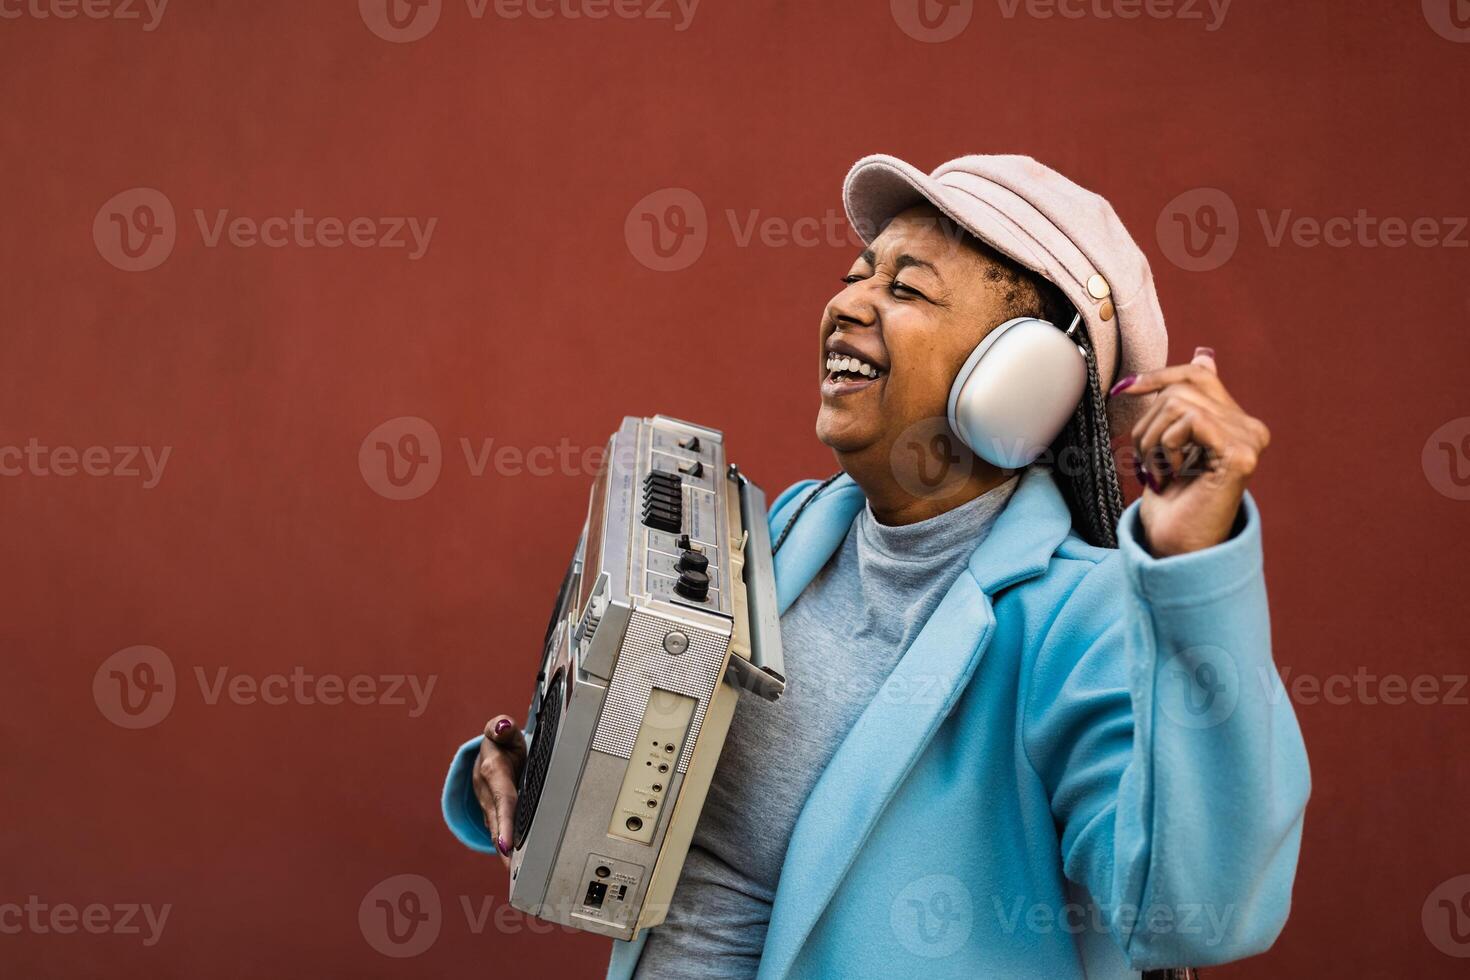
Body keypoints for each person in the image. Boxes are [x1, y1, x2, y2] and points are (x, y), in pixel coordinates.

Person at [440, 154, 1310, 979]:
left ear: (1025, 378)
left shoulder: (1083, 624)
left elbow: (1196, 911)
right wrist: (549, 764)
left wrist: (1196, 576)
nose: (848, 302)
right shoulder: (779, 540)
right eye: (858, 272)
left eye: (905, 288)